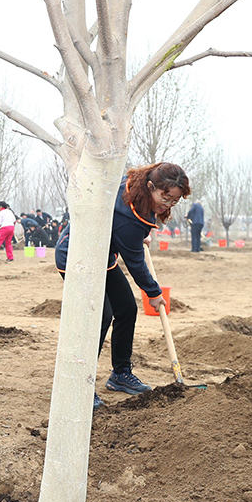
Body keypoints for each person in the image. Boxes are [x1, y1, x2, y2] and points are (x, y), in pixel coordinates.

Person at [56, 162, 190, 410]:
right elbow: (135, 262)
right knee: (101, 316)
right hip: (77, 259)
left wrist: (140, 235)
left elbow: (125, 233)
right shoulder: (129, 216)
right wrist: (154, 292)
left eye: (174, 201)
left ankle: (120, 375)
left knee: (127, 309)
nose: (168, 204)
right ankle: (79, 385)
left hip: (101, 259)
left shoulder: (133, 189)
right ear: (150, 185)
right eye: (165, 197)